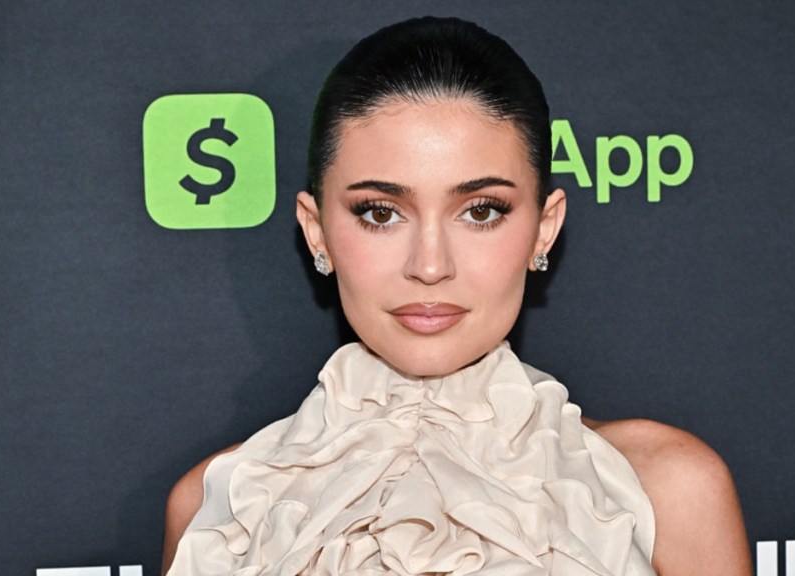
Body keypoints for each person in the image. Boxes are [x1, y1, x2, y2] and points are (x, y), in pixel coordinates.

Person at [163, 16, 751, 576]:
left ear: (543, 228)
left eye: (481, 211)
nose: (430, 266)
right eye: (380, 213)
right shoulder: (219, 509)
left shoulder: (669, 489)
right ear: (317, 232)